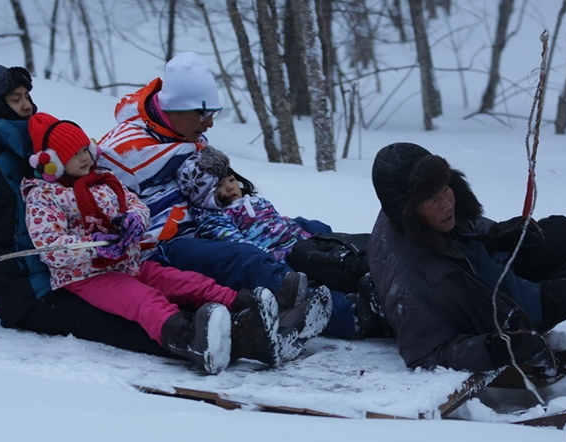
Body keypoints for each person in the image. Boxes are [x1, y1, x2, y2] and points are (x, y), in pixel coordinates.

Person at [97, 51, 381, 339]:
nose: (210, 124)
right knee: (245, 258)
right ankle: (351, 314)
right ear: (177, 108)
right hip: (166, 247)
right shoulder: (123, 152)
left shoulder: (185, 135)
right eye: (204, 114)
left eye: (213, 114)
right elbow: (97, 207)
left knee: (300, 229)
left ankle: (365, 270)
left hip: (211, 224)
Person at [0, 65, 169, 359]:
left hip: (77, 272)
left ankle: (216, 321)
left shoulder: (33, 143)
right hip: (33, 295)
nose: (26, 104)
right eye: (15, 98)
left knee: (164, 293)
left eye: (26, 95)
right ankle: (204, 342)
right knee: (138, 324)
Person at [21, 112, 307, 373]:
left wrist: (134, 219)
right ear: (52, 162)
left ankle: (252, 306)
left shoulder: (103, 181)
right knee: (146, 301)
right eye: (74, 154)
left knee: (189, 283)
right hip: (87, 275)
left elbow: (135, 204)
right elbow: (49, 245)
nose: (85, 157)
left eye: (86, 149)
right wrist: (93, 245)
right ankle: (190, 340)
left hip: (128, 262)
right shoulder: (43, 196)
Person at [367, 142, 566, 372]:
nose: (447, 204)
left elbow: (464, 226)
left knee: (562, 231)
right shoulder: (413, 283)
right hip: (497, 315)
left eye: (445, 188)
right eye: (434, 199)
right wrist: (495, 349)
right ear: (409, 212)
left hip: (481, 275)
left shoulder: (402, 207)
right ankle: (538, 305)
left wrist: (497, 234)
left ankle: (528, 281)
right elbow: (425, 354)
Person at [176, 145, 313, 262]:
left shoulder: (257, 202)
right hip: (279, 259)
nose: (230, 187)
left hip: (297, 246)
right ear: (205, 196)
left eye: (231, 180)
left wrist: (310, 241)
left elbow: (282, 224)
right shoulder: (216, 219)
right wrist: (287, 256)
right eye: (219, 186)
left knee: (315, 227)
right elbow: (243, 248)